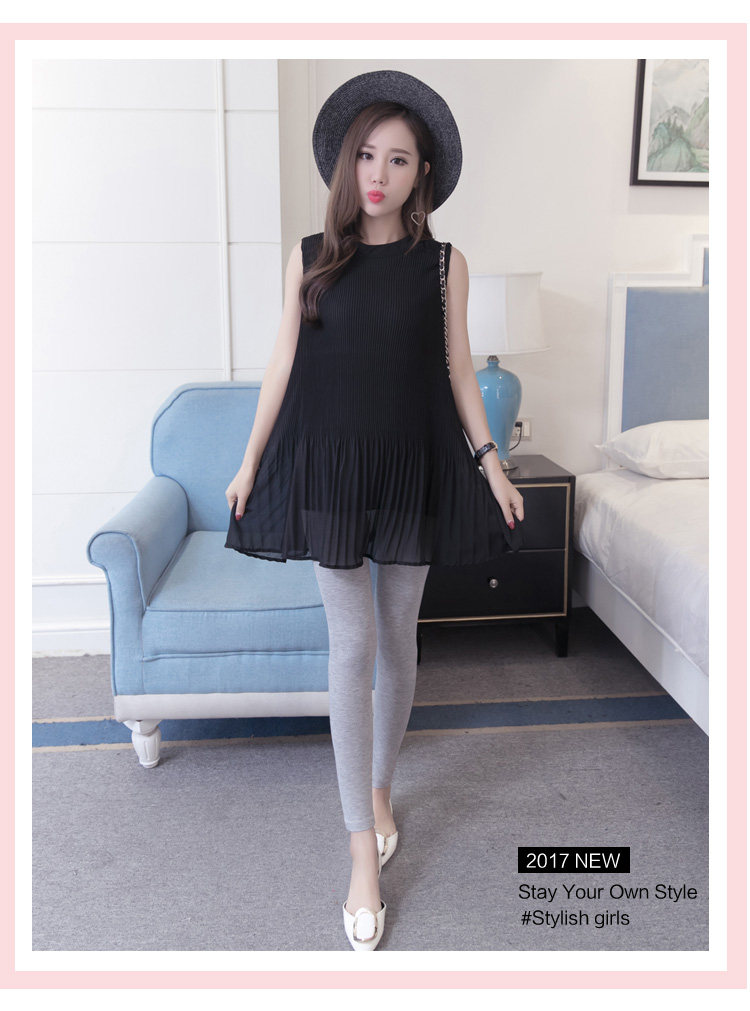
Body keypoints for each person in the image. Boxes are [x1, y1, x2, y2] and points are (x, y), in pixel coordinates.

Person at [224, 70, 524, 951]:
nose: (379, 174)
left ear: (422, 171)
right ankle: (362, 847)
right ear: (346, 164)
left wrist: (492, 464)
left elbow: (459, 373)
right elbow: (282, 364)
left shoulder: (443, 264)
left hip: (414, 468)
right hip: (331, 472)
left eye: (398, 158)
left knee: (398, 641)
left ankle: (383, 789)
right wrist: (249, 462)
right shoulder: (310, 256)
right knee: (351, 645)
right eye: (366, 155)